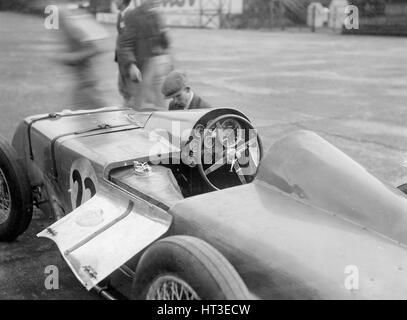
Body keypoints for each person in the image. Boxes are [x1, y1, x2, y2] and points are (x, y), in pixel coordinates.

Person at [116, 0, 173, 110]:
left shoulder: (158, 15)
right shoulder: (132, 15)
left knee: (161, 104)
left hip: (160, 66)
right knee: (138, 105)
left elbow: (165, 44)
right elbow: (124, 44)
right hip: (143, 68)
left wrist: (164, 30)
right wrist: (131, 65)